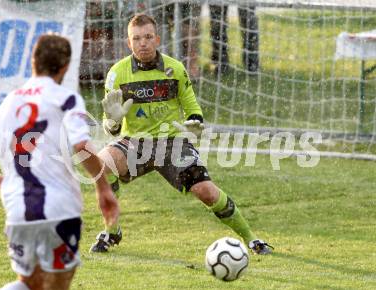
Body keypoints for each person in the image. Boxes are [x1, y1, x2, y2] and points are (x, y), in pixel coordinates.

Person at [89, 14, 272, 255]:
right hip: (135, 143)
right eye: (136, 38)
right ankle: (111, 232)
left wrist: (195, 123)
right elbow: (110, 128)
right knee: (101, 166)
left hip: (172, 143)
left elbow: (192, 107)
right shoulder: (117, 74)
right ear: (128, 43)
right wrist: (113, 120)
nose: (142, 43)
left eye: (147, 37)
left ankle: (251, 239)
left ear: (157, 39)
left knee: (206, 192)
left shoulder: (174, 69)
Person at [0, 34, 120, 290]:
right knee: (56, 287)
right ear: (64, 67)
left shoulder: (9, 102)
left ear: (33, 61)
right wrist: (103, 188)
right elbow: (82, 147)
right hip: (60, 210)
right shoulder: (66, 98)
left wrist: (11, 187)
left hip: (18, 211)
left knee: (27, 284)